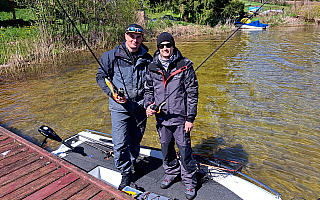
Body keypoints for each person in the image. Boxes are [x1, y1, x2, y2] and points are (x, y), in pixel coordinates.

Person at [96, 24, 152, 190]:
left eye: (138, 37)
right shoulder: (110, 56)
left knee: (135, 140)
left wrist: (149, 102)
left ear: (142, 39)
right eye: (131, 36)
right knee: (120, 143)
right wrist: (113, 93)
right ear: (125, 36)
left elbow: (153, 84)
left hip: (140, 107)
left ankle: (133, 162)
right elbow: (101, 77)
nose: (134, 40)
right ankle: (125, 172)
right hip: (119, 108)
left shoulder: (148, 59)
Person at [144, 32, 199, 200]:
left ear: (173, 46)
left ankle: (190, 181)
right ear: (158, 48)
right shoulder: (152, 67)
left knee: (185, 151)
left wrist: (190, 118)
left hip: (181, 120)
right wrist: (148, 106)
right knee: (166, 150)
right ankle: (171, 173)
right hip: (162, 120)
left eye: (168, 45)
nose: (165, 48)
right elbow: (148, 91)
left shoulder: (185, 65)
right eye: (162, 46)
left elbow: (192, 94)